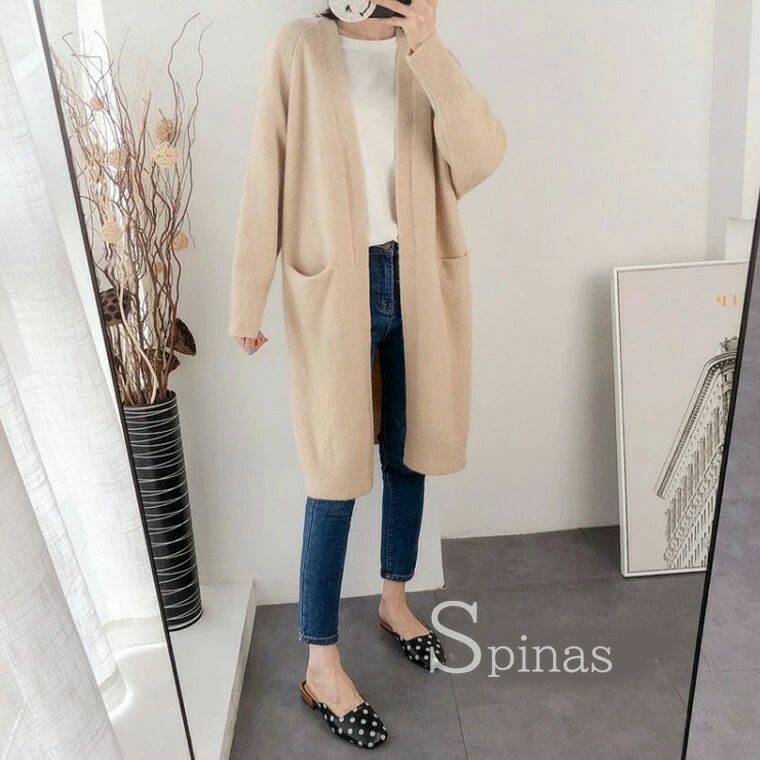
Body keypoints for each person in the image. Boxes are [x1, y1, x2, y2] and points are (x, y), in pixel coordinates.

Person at [229, 0, 505, 747]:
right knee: (335, 471)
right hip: (336, 286)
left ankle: (394, 600)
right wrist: (247, 295)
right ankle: (321, 665)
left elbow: (480, 159)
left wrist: (429, 47)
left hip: (418, 279)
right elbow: (265, 168)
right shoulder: (300, 46)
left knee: (410, 454)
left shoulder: (421, 53)